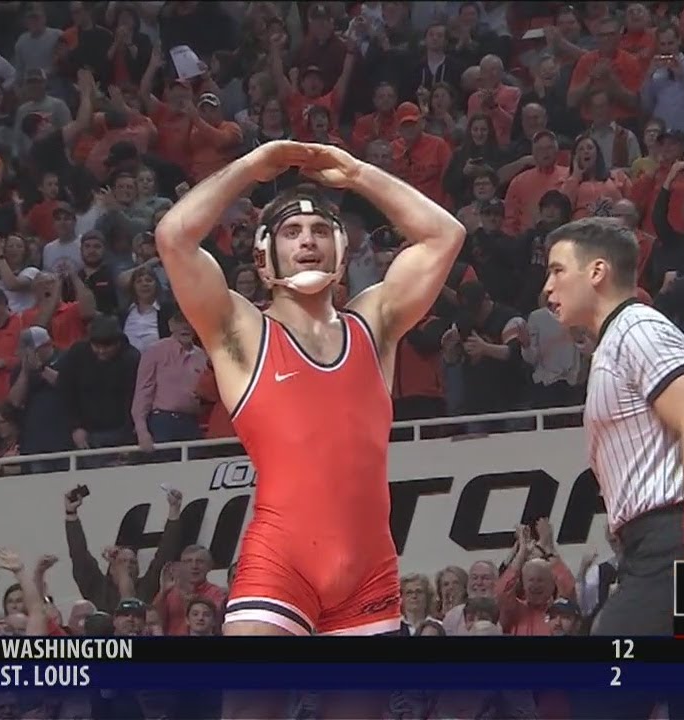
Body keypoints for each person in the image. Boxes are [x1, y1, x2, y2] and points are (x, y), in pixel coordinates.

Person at [155, 140, 463, 713]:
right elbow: (174, 237)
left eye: (320, 230)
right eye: (292, 232)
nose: (307, 240)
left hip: (369, 568)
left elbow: (445, 235)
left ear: (341, 250)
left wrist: (359, 173)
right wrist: (251, 167)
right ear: (264, 255)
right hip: (281, 560)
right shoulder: (240, 331)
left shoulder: (376, 323)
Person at [541, 217, 684, 718]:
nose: (546, 287)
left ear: (597, 272)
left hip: (680, 545)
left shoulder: (639, 329)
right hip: (664, 544)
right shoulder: (615, 341)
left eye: (556, 271)